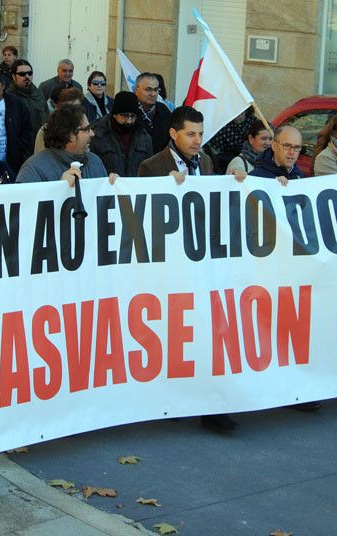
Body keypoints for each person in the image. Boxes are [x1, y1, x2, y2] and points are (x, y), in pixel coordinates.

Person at [137, 106, 239, 432]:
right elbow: (141, 220)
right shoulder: (151, 168)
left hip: (203, 263)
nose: (197, 141)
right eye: (191, 134)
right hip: (169, 268)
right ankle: (168, 401)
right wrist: (165, 192)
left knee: (206, 335)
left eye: (200, 134)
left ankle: (212, 407)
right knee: (174, 337)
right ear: (173, 134)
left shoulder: (206, 162)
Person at [17, 104, 109, 184]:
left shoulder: (95, 162)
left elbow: (105, 201)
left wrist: (114, 186)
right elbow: (25, 202)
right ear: (70, 135)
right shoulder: (33, 170)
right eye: (87, 129)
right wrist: (60, 189)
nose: (92, 133)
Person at [0, 70, 33, 172]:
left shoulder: (16, 104)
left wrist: (19, 149)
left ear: (3, 86)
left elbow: (27, 129)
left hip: (13, 161)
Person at [90, 91, 152, 177]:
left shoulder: (144, 137)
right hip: (108, 187)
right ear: (115, 115)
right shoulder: (97, 134)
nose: (129, 121)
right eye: (125, 116)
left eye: (132, 116)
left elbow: (149, 169)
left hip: (135, 188)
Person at [7, 59, 48, 133]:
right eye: (22, 74)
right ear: (13, 76)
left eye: (30, 73)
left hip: (39, 141)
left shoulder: (39, 94)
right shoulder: (8, 97)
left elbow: (47, 120)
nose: (27, 76)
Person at [135, 72, 172, 153]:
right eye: (148, 90)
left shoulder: (164, 111)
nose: (153, 94)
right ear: (136, 90)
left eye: (156, 90)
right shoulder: (129, 111)